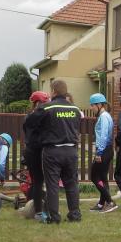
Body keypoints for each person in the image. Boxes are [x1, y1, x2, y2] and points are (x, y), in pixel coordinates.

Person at [36, 79, 82, 224]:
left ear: (53, 91)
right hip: (71, 150)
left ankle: (54, 217)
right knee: (71, 183)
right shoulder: (75, 109)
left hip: (53, 150)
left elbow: (33, 124)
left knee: (52, 184)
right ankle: (75, 214)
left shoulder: (47, 108)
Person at [22, 91, 49, 219]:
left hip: (29, 150)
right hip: (38, 151)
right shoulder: (40, 116)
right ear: (38, 103)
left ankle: (32, 206)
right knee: (41, 181)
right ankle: (41, 211)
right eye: (45, 103)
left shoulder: (28, 116)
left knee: (35, 181)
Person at [88, 93, 117, 213]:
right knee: (103, 178)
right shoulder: (105, 116)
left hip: (103, 151)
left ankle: (110, 202)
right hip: (107, 150)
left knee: (94, 177)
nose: (91, 108)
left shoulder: (104, 117)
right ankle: (101, 203)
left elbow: (104, 135)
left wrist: (99, 152)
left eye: (92, 105)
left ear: (99, 104)